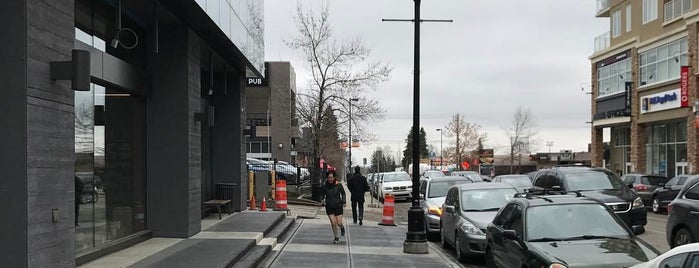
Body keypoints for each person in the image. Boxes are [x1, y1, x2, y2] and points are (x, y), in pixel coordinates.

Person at [322, 170, 346, 244]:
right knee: (333, 222)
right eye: (329, 177)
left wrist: (344, 202)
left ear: (334, 177)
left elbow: (343, 193)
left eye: (331, 177)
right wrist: (322, 199)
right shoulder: (325, 186)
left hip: (338, 205)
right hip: (329, 206)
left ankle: (342, 227)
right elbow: (322, 194)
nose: (330, 179)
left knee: (338, 222)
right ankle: (336, 237)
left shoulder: (338, 185)